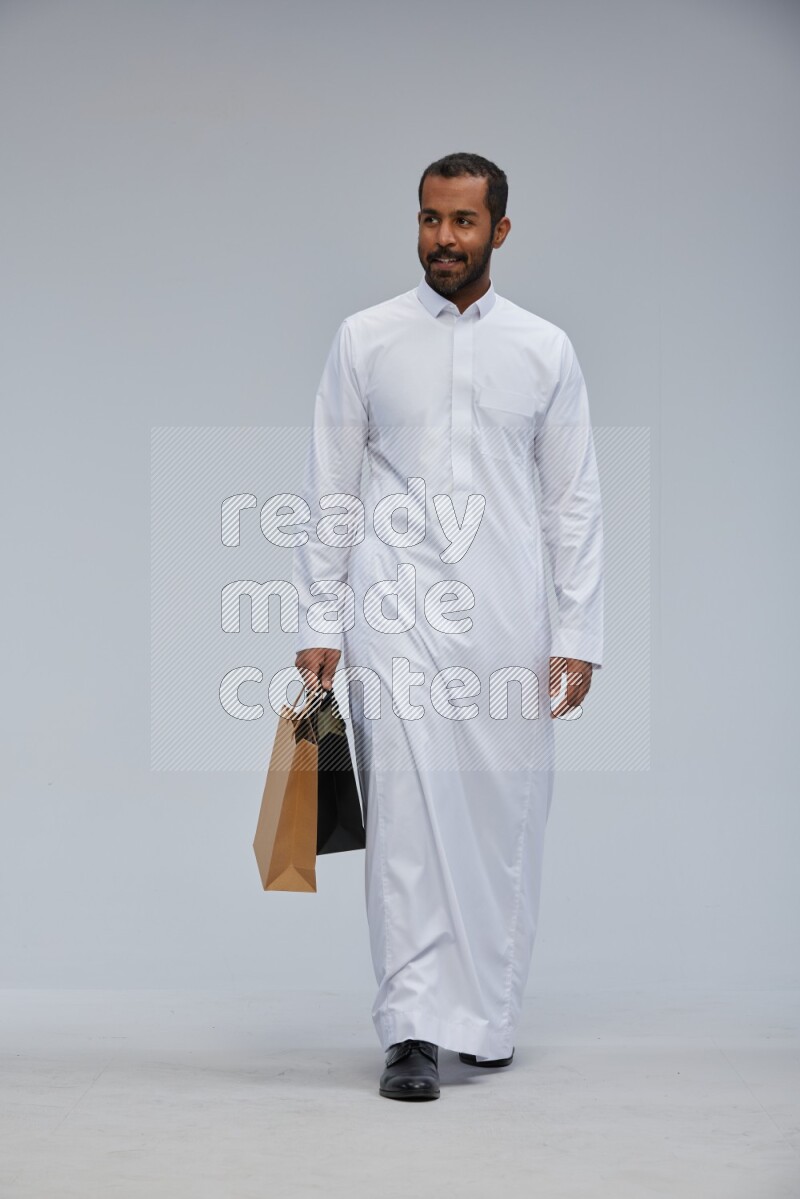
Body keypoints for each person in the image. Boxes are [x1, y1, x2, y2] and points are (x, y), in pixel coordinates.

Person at [293, 152, 604, 1101]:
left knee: (503, 812)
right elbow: (329, 488)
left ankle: (489, 1018)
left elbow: (574, 501)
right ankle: (412, 1028)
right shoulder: (366, 339)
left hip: (509, 615)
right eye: (431, 220)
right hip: (395, 613)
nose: (444, 240)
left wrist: (578, 631)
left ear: (499, 231)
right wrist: (320, 621)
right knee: (405, 827)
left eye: (464, 223)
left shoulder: (544, 349)